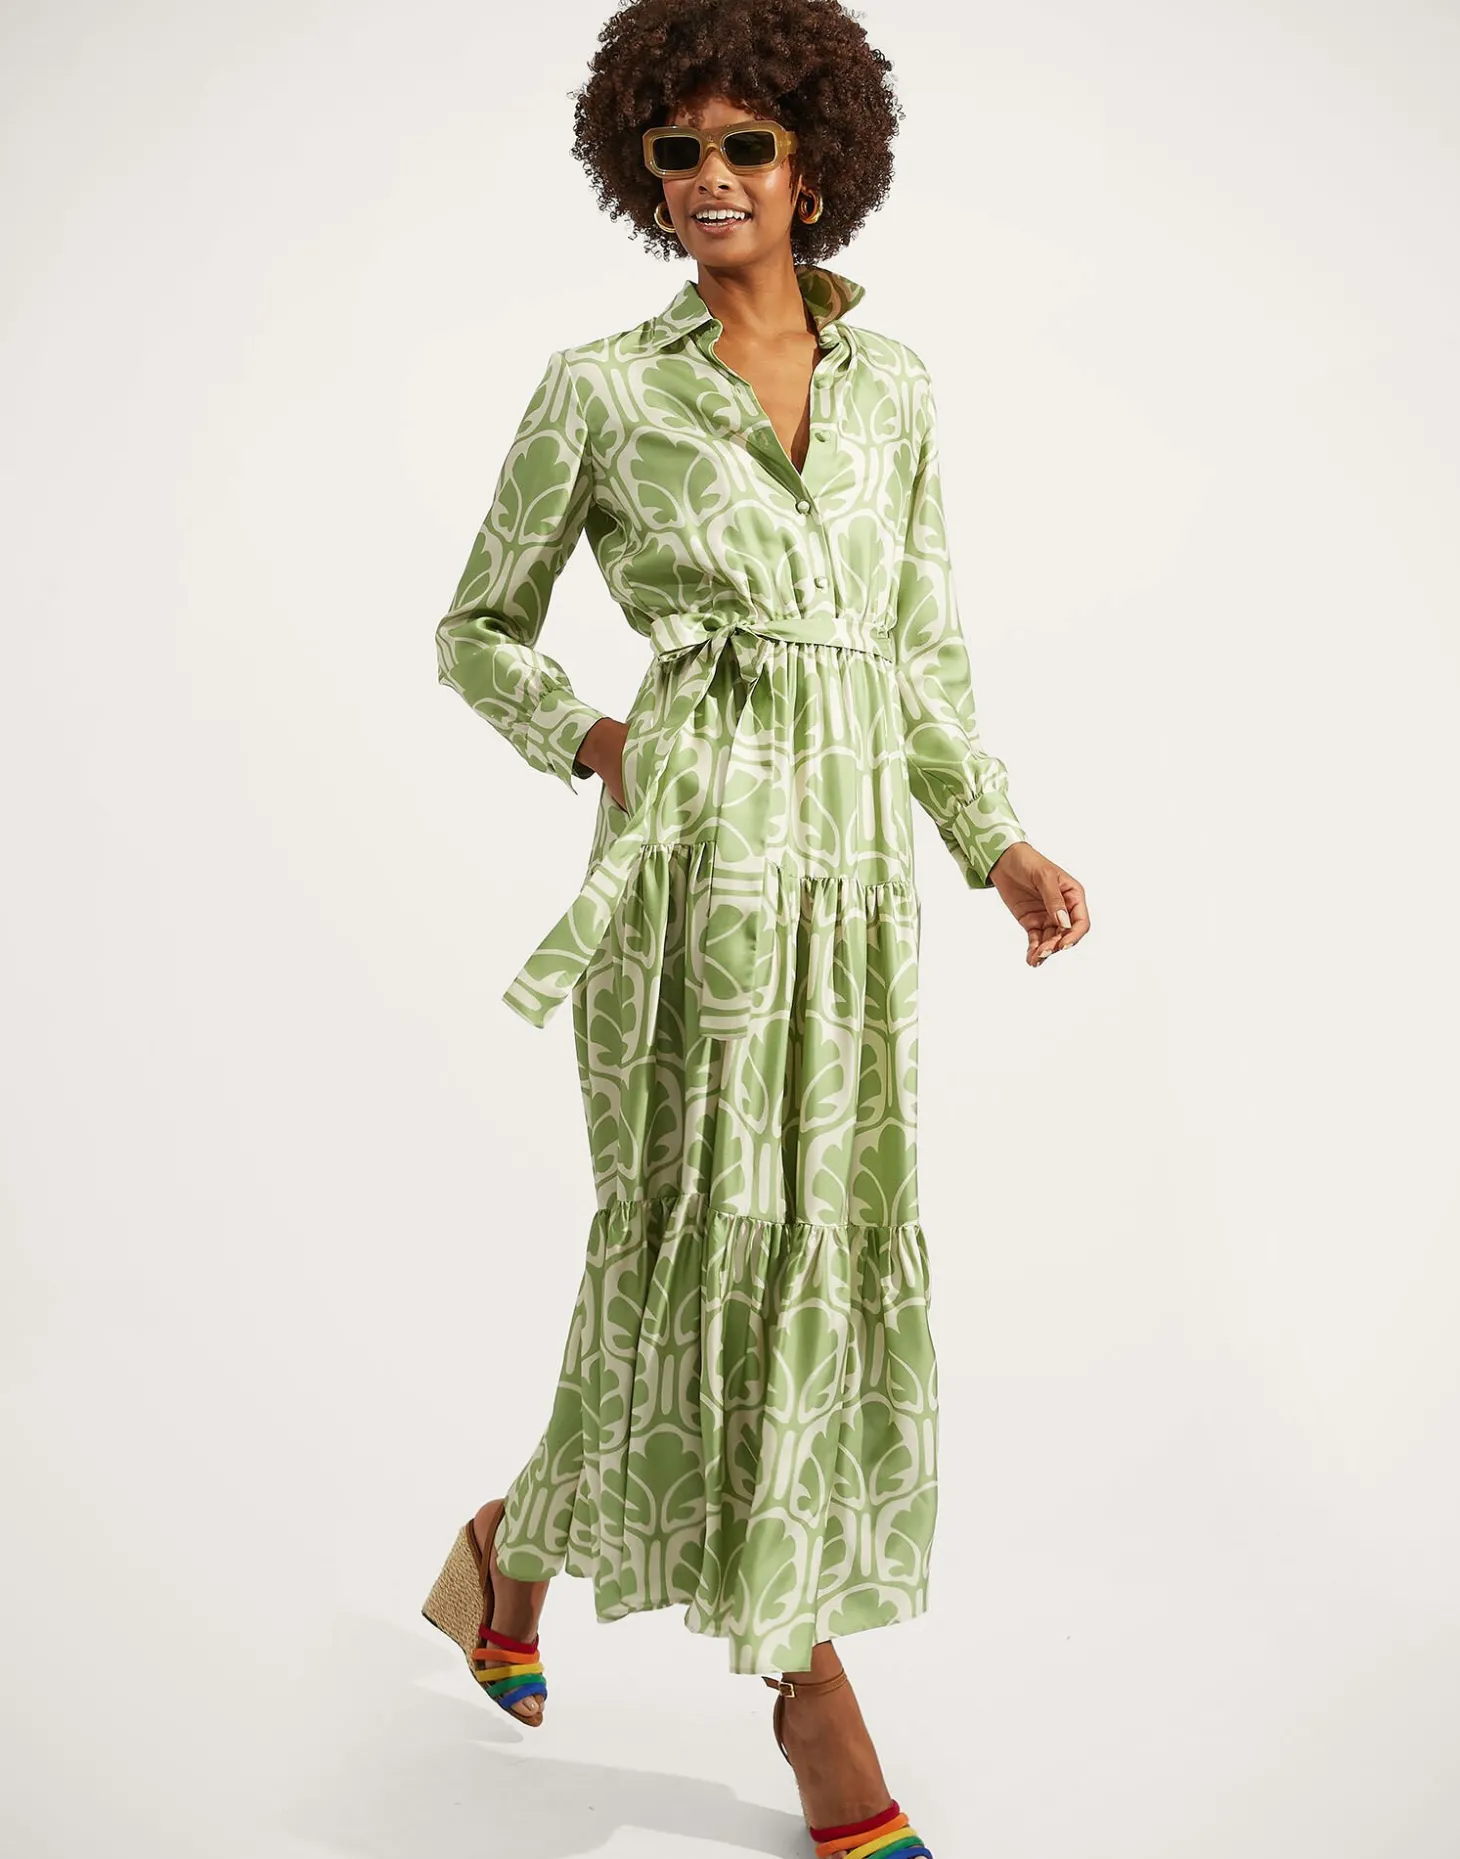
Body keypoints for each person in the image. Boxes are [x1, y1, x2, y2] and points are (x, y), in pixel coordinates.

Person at [422, 3, 1089, 1852]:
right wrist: (599, 736)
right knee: (695, 1245)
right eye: (678, 150)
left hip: (853, 884)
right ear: (640, 170)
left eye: (748, 146)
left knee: (807, 1236)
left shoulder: (900, 387)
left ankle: (508, 1551)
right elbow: (475, 626)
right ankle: (814, 1708)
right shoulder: (601, 388)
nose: (712, 179)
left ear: (814, 164)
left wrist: (995, 837)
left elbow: (922, 645)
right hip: (693, 875)